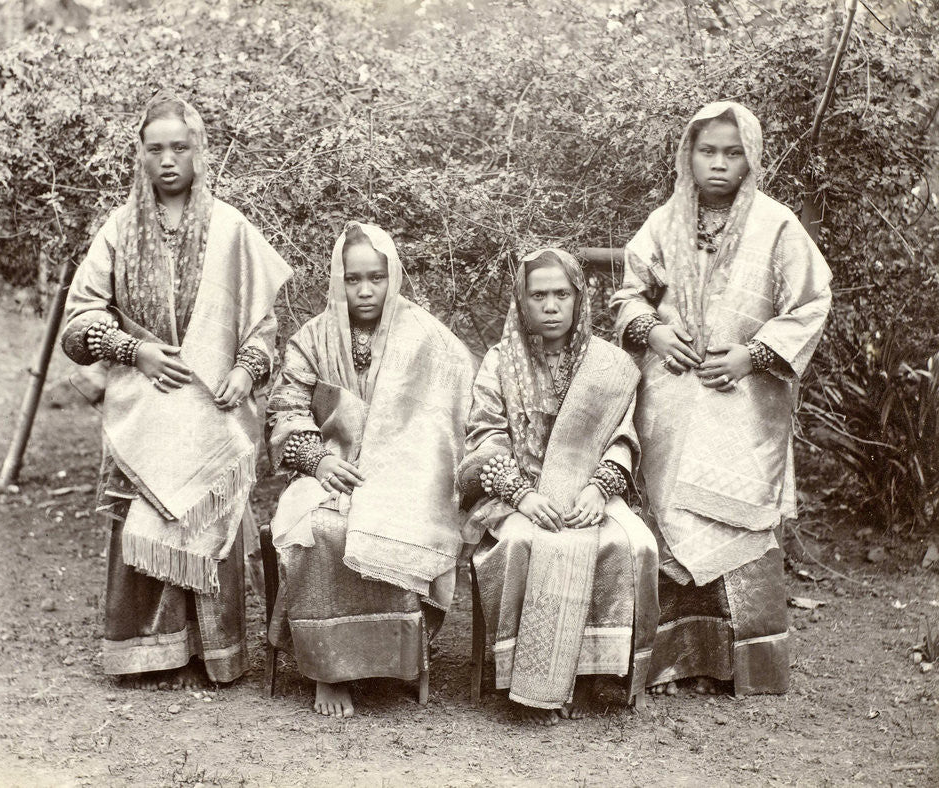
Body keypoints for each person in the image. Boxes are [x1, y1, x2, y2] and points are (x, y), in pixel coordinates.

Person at [61, 90, 292, 687]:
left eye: (180, 148)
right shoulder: (118, 229)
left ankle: (213, 652)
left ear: (199, 154)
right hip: (145, 402)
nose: (168, 160)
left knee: (209, 516)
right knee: (147, 520)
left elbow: (264, 324)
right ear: (139, 155)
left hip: (211, 406)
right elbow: (79, 321)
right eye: (155, 148)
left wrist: (244, 369)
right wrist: (131, 350)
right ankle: (149, 653)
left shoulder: (232, 230)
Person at [610, 101, 832, 696]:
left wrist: (751, 356)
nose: (719, 164)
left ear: (750, 158)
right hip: (674, 399)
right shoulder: (663, 224)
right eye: (708, 151)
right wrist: (653, 332)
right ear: (689, 154)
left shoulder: (777, 227)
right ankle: (678, 663)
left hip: (745, 405)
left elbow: (811, 303)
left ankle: (742, 667)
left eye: (733, 152)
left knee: (739, 523)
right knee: (675, 520)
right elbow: (629, 296)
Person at [266, 221, 476, 718]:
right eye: (352, 278)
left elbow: (454, 422)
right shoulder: (312, 338)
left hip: (407, 478)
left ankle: (394, 659)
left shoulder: (428, 338)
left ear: (393, 276)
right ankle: (329, 671)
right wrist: (318, 460)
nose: (364, 290)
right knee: (319, 529)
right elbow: (285, 407)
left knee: (397, 524)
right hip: (328, 473)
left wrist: (406, 467)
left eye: (376, 278)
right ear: (337, 279)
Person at [459, 248, 659, 725]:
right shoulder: (499, 362)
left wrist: (598, 489)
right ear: (521, 303)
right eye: (538, 295)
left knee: (634, 546)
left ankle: (596, 675)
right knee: (524, 544)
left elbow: (623, 436)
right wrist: (522, 496)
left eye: (561, 294)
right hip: (515, 497)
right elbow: (485, 435)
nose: (550, 306)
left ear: (579, 300)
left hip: (589, 494)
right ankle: (533, 678)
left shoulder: (608, 365)